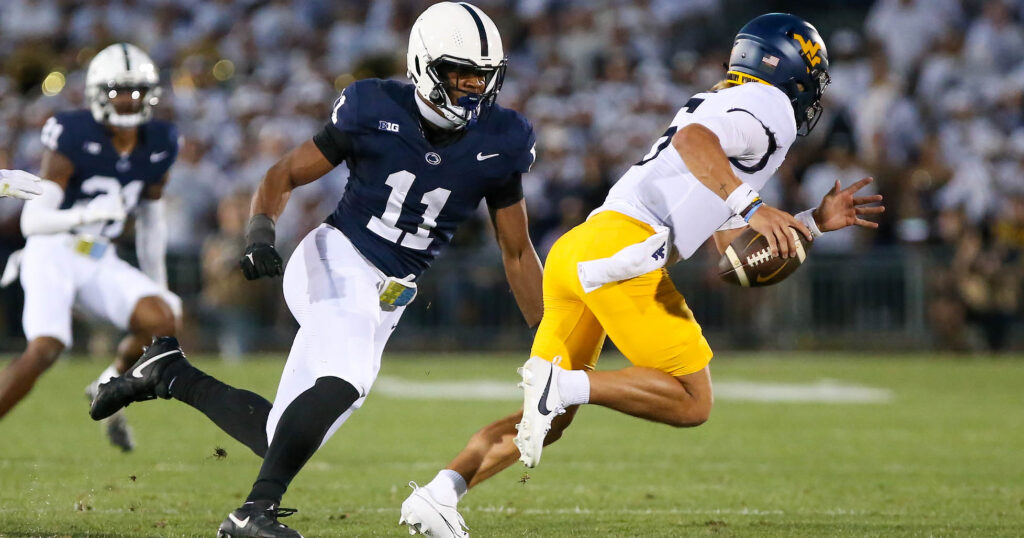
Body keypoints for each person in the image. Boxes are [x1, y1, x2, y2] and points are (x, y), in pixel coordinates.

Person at [400, 13, 885, 537]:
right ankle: (564, 385)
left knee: (549, 417)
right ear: (792, 68)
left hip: (582, 249)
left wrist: (811, 221)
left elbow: (731, 254)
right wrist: (752, 205)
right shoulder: (770, 109)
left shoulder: (726, 102)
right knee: (691, 401)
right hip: (624, 252)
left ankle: (440, 493)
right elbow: (694, 143)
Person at [90, 3, 542, 537]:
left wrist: (547, 339)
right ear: (424, 65)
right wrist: (260, 232)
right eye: (458, 73)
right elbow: (283, 173)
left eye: (481, 76)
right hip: (336, 257)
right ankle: (251, 514)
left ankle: (167, 372)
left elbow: (517, 251)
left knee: (282, 433)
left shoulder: (504, 138)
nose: (470, 88)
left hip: (388, 295)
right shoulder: (373, 107)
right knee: (347, 378)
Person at [0, 43, 180, 453]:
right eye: (119, 89)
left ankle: (107, 382)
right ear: (99, 92)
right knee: (46, 348)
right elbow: (33, 221)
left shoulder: (161, 139)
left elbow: (152, 221)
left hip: (97, 253)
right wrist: (84, 214)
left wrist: (160, 283)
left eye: (136, 91)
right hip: (54, 248)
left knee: (161, 321)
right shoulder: (74, 133)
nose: (128, 99)